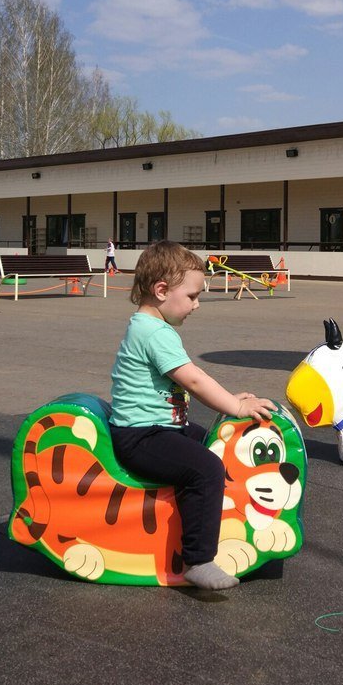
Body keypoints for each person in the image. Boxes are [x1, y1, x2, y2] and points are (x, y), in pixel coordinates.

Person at [108, 240, 277, 591]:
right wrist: (235, 406)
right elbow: (194, 379)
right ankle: (198, 560)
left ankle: (221, 521)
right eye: (192, 296)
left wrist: (233, 401)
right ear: (161, 290)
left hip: (160, 429)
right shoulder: (153, 332)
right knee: (207, 468)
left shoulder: (151, 327)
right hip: (143, 437)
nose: (197, 305)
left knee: (215, 445)